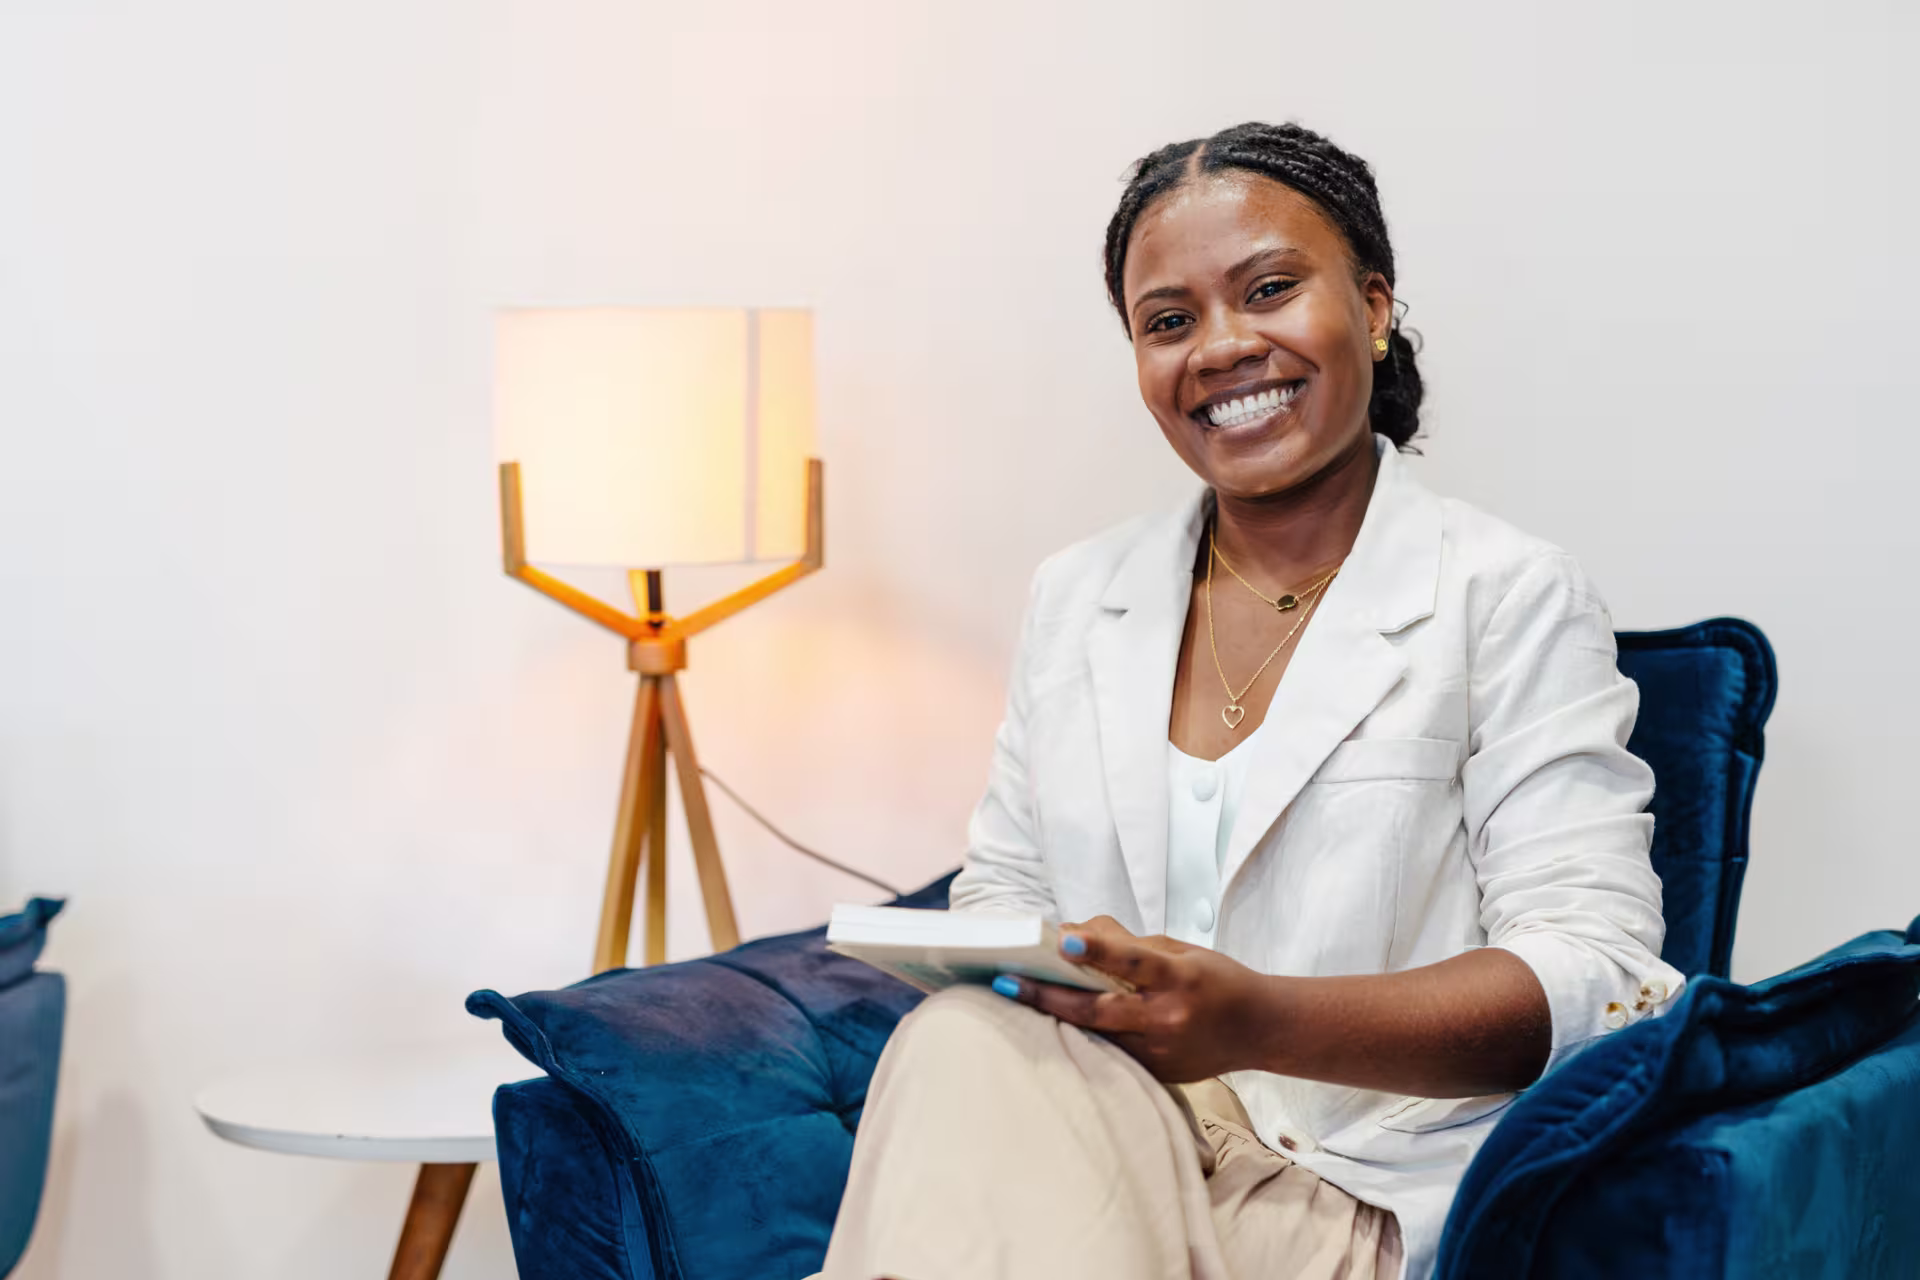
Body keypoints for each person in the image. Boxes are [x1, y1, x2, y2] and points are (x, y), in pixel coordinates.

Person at [821, 121, 1681, 1280]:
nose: (1221, 347)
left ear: (1373, 307)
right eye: (1168, 321)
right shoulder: (1079, 597)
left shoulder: (1505, 595)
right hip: (1106, 1141)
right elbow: (1008, 893)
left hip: (1349, 1186)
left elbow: (1598, 975)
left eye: (1268, 290)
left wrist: (1257, 1018)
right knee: (960, 1033)